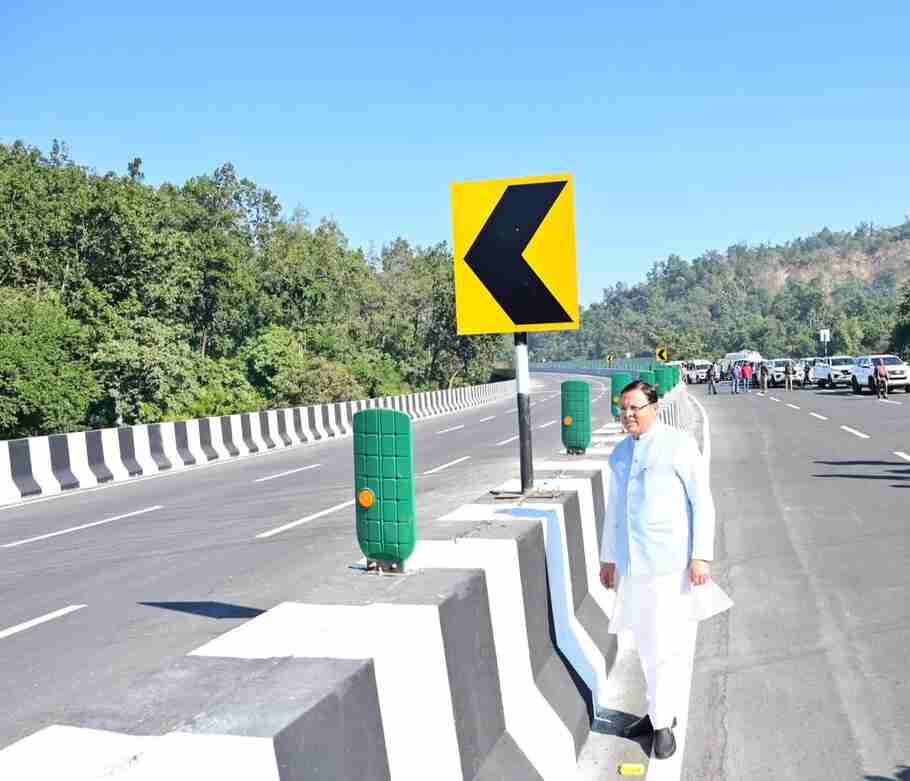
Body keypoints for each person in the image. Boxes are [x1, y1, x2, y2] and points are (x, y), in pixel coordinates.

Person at [599, 380, 727, 761]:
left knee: (664, 645)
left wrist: (701, 555)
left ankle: (662, 725)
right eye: (623, 409)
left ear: (653, 406)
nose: (628, 415)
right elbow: (615, 511)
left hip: (669, 563)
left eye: (635, 407)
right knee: (643, 641)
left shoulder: (678, 445)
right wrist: (609, 559)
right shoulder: (621, 454)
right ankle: (656, 713)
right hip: (633, 565)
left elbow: (702, 502)